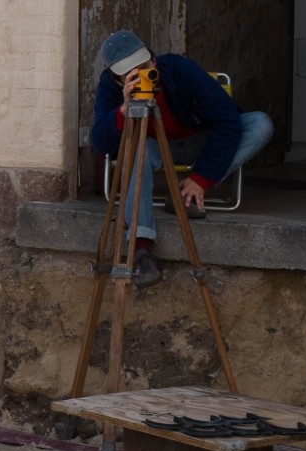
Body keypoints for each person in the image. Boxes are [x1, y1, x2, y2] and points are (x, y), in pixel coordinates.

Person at [89, 29, 274, 288]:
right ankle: (141, 249)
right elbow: (100, 144)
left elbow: (228, 120)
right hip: (152, 145)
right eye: (132, 73)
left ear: (154, 59)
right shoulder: (110, 88)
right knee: (135, 150)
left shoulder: (179, 70)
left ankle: (187, 193)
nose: (143, 75)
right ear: (118, 80)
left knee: (260, 124)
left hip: (198, 140)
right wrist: (122, 109)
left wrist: (201, 177)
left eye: (145, 67)